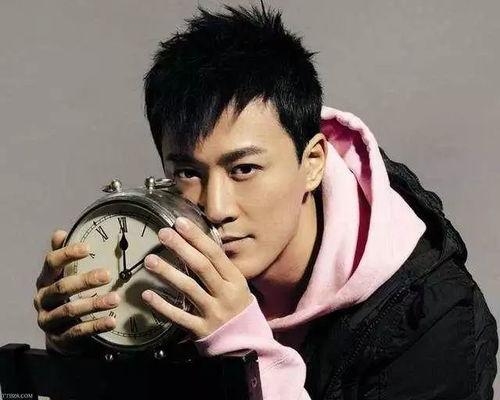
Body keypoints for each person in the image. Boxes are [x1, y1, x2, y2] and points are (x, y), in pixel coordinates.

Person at [34, 3, 498, 399]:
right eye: (189, 173)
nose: (217, 208)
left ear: (312, 162)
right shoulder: (164, 273)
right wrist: (78, 354)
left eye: (244, 170)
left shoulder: (435, 321)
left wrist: (245, 354)